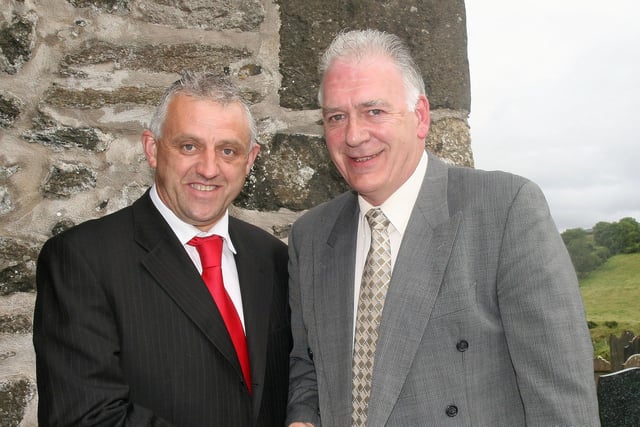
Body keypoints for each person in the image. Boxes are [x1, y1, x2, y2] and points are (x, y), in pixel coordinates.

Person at [286, 29, 600, 426]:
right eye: (337, 117)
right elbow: (306, 368)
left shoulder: (504, 209)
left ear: (420, 116)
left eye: (374, 111)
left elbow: (562, 398)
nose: (354, 135)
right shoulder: (310, 237)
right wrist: (304, 418)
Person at [33, 71, 291, 426]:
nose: (208, 168)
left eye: (228, 150)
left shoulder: (275, 259)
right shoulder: (82, 260)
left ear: (250, 160)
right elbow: (85, 417)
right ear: (152, 149)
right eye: (189, 146)